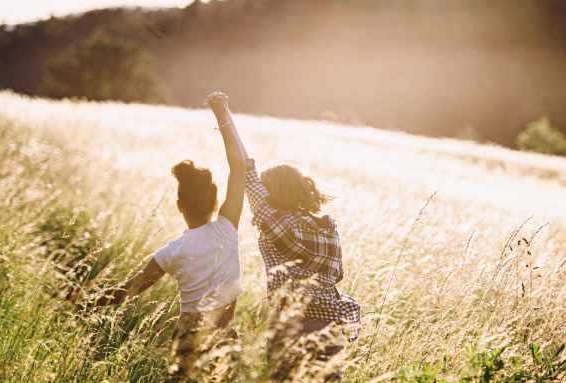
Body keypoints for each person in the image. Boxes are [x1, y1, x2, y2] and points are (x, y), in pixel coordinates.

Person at [65, 91, 246, 382]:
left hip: (186, 340)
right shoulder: (227, 229)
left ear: (179, 207)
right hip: (225, 337)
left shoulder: (171, 253)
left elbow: (128, 290)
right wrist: (222, 114)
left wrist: (87, 301)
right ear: (216, 204)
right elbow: (239, 169)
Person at [217, 95, 362, 382]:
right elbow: (338, 275)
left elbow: (246, 170)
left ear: (269, 193)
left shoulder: (274, 221)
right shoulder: (328, 227)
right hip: (329, 323)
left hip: (290, 323)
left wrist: (223, 113)